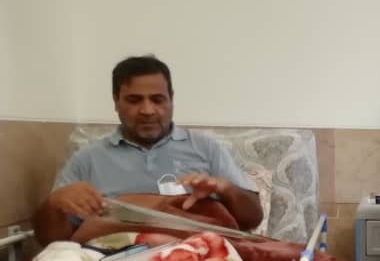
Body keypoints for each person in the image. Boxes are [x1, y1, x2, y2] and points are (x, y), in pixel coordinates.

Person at [34, 55, 263, 245]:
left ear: (171, 99)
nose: (147, 110)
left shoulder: (206, 149)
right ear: (116, 101)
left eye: (157, 99)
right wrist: (54, 204)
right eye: (134, 100)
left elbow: (252, 219)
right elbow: (51, 242)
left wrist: (225, 189)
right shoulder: (87, 159)